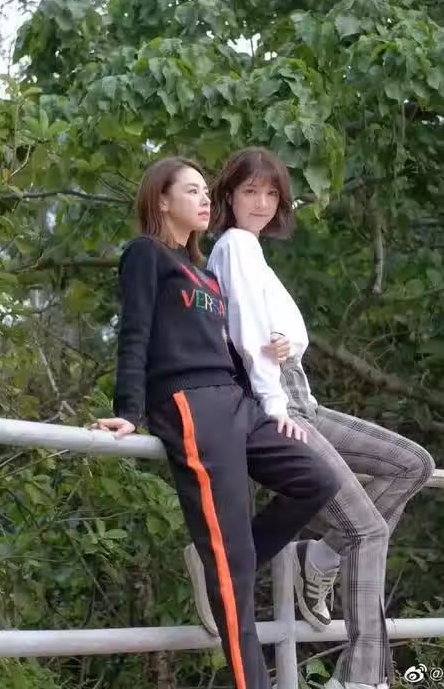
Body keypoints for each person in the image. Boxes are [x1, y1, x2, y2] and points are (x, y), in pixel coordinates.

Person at [184, 147, 436, 689]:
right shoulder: (235, 246)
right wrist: (275, 407)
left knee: (412, 463)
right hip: (279, 403)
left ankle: (318, 558)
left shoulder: (253, 253)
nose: (261, 202)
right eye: (250, 191)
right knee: (366, 530)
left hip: (303, 400)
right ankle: (360, 678)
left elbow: (283, 335)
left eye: (271, 193)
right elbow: (247, 340)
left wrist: (286, 346)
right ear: (229, 195)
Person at [92, 156, 341, 689]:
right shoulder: (146, 254)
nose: (206, 199)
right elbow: (134, 332)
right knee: (235, 572)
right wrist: (129, 412)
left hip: (236, 401)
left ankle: (223, 562)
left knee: (318, 479)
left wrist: (272, 392)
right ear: (162, 200)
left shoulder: (204, 272)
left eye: (207, 191)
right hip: (190, 404)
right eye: (191, 191)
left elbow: (235, 346)